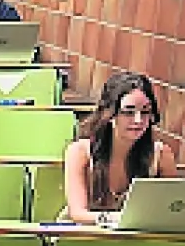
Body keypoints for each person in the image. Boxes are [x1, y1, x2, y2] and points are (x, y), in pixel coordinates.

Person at [61, 72, 176, 225]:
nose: (138, 120)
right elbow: (78, 213)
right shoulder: (80, 152)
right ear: (109, 114)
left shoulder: (161, 155)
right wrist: (118, 220)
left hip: (135, 240)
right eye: (128, 112)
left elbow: (173, 209)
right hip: (84, 236)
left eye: (145, 112)